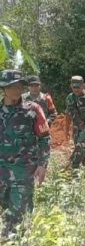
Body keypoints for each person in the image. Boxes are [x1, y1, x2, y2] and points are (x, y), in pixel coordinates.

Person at [0, 70, 50, 237]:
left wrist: (43, 165)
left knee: (19, 219)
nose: (16, 90)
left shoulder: (33, 110)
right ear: (4, 88)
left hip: (23, 173)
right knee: (5, 215)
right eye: (12, 86)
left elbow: (44, 138)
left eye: (19, 86)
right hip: (1, 174)